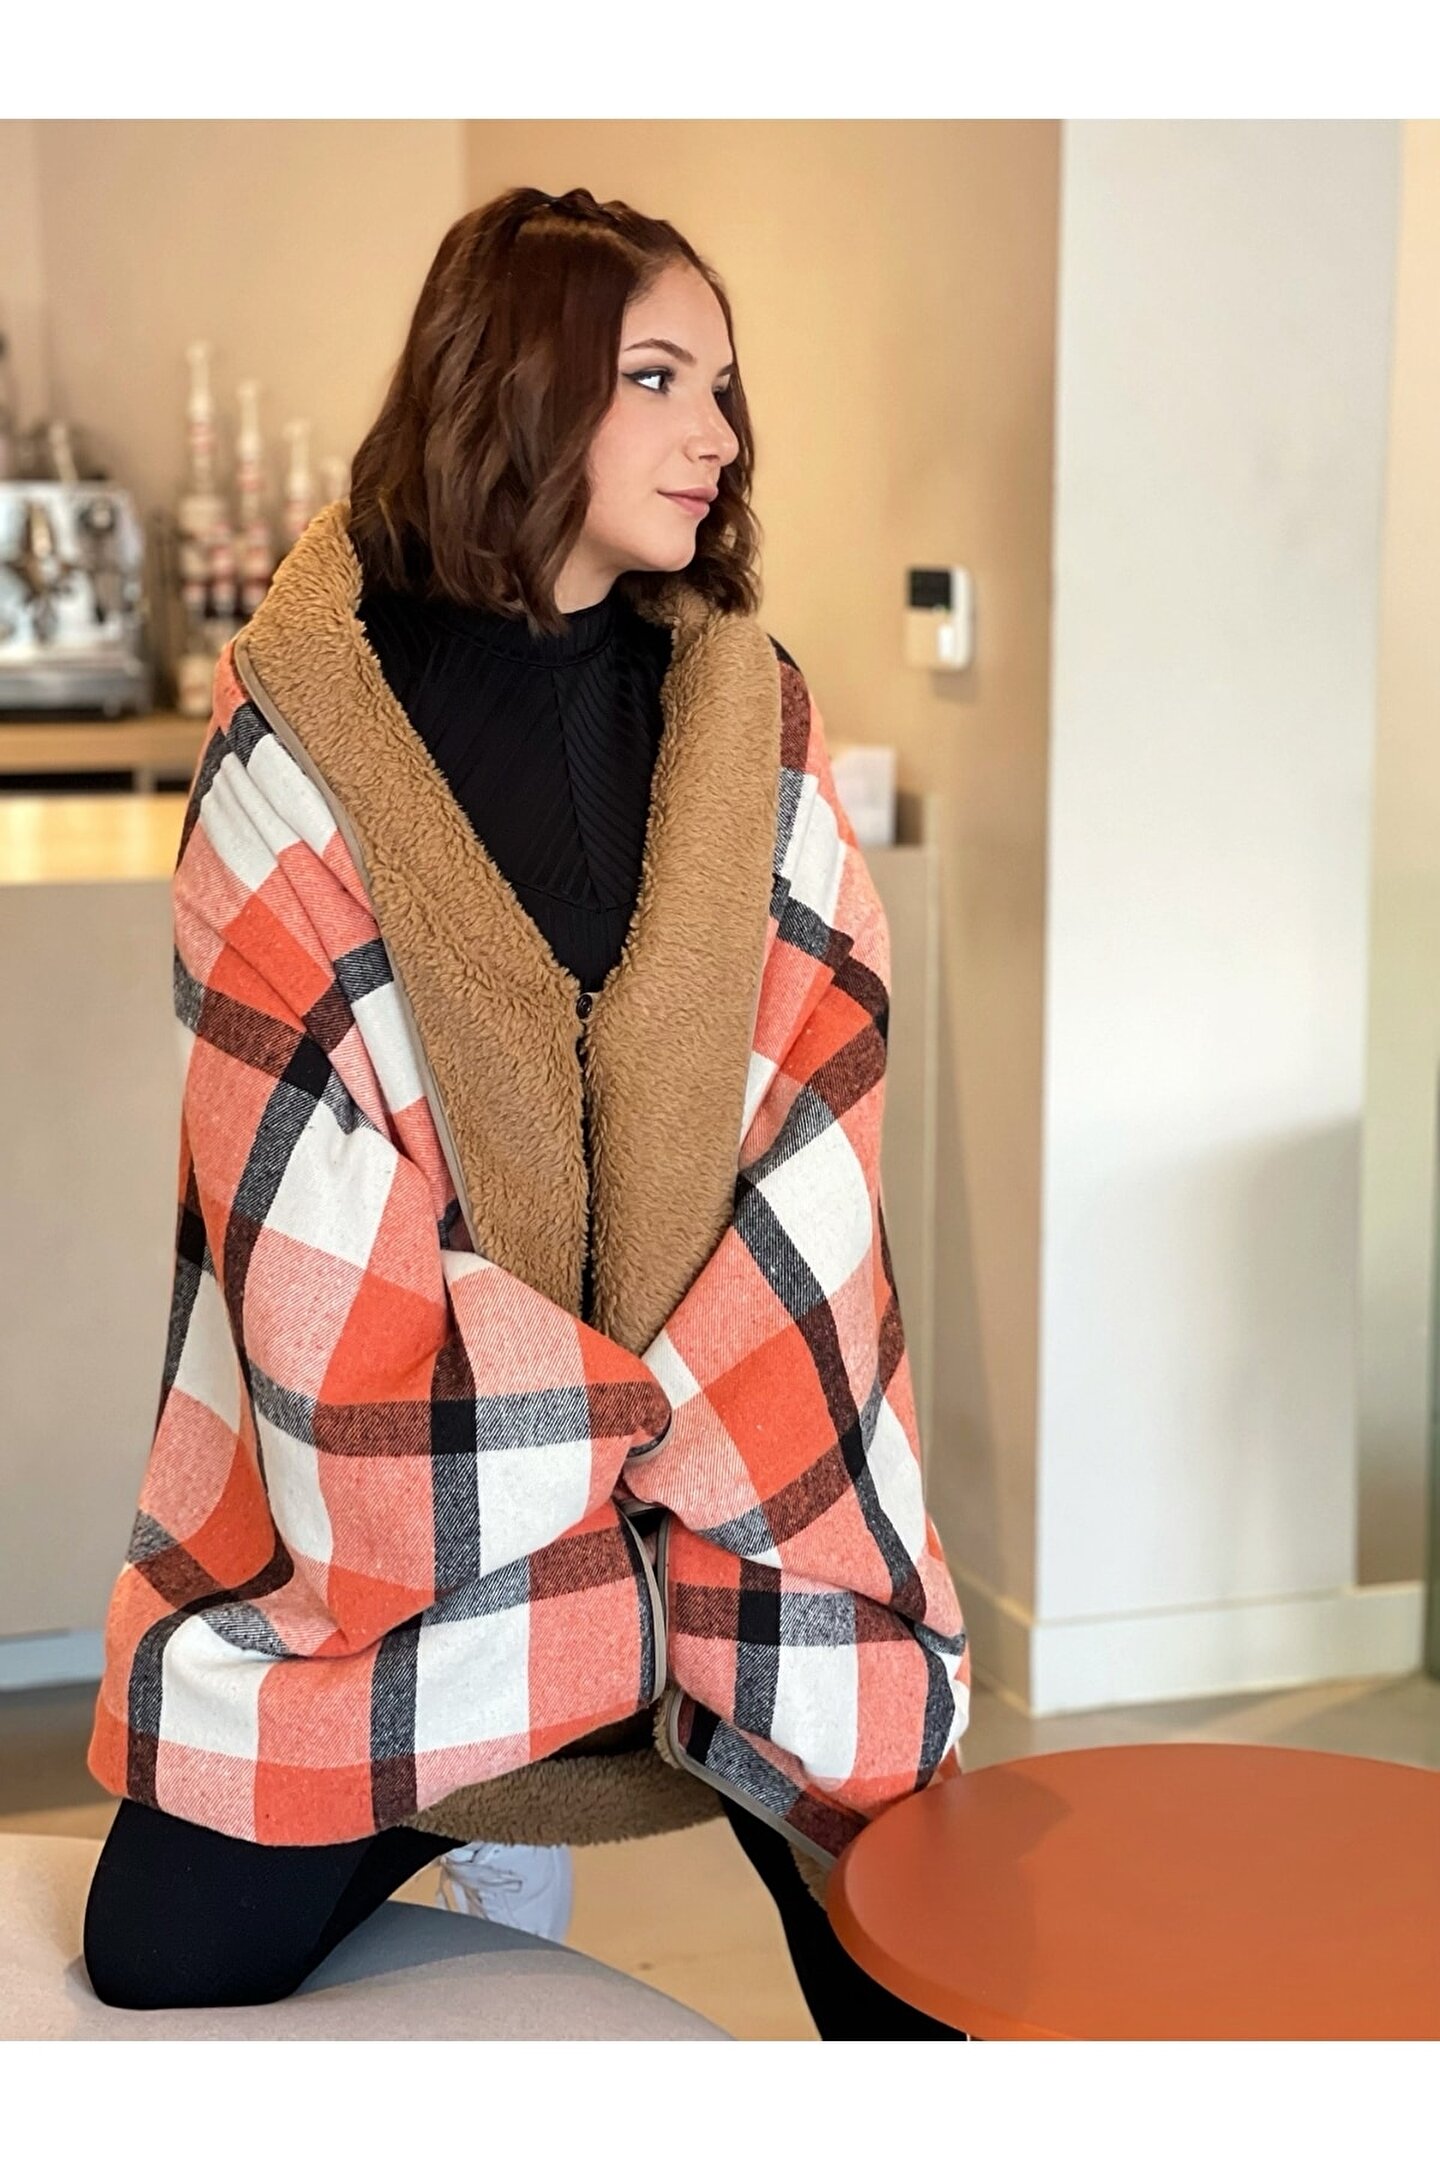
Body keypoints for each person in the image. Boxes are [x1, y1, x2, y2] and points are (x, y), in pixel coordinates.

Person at [80, 185, 971, 2040]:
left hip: (736, 1528)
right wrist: (588, 1452)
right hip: (415, 1557)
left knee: (933, 1987)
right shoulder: (296, 749)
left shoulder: (754, 720)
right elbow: (298, 1215)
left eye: (722, 384)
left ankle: (633, 1705)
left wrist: (673, 1449)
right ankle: (483, 1778)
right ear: (512, 388)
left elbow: (821, 1124)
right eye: (657, 378)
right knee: (160, 1959)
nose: (717, 434)